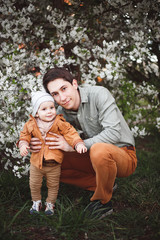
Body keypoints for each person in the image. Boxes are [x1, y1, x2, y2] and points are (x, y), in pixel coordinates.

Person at [30, 67, 138, 219]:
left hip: (123, 155)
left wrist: (74, 146)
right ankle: (102, 184)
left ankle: (102, 202)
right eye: (55, 94)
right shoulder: (60, 112)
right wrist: (34, 143)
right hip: (93, 157)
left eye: (64, 88)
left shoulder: (99, 94)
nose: (62, 97)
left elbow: (113, 133)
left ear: (74, 84)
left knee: (98, 149)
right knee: (47, 160)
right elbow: (51, 139)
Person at [17, 91, 87, 215]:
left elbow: (70, 133)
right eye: (44, 109)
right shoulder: (31, 124)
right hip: (36, 164)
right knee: (34, 184)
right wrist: (23, 145)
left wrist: (78, 143)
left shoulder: (59, 122)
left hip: (53, 164)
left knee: (53, 185)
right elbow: (24, 136)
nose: (49, 111)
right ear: (36, 113)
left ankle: (50, 204)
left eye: (52, 107)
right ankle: (36, 202)